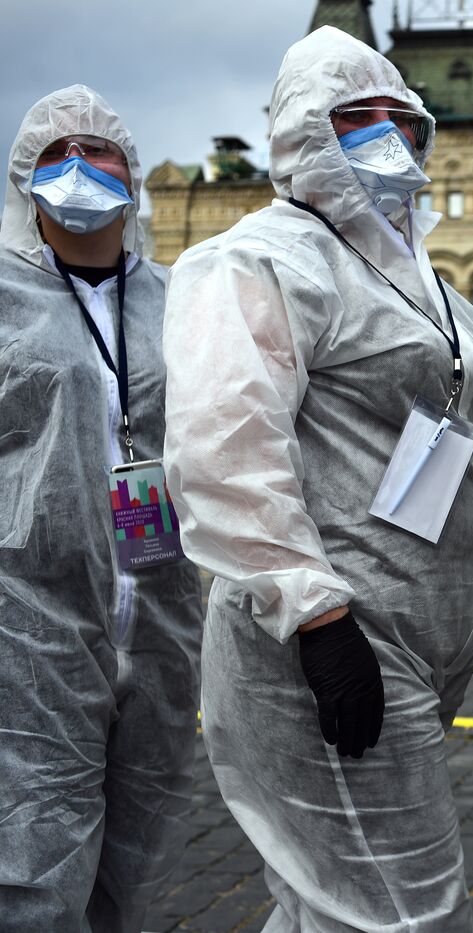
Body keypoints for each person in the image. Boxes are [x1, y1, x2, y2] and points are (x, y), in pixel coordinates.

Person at [161, 28, 473, 931]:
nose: (387, 137)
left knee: (334, 908)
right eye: (357, 120)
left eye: (402, 121)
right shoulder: (256, 258)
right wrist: (315, 612)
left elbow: (451, 450)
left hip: (415, 647)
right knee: (404, 910)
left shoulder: (425, 283)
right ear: (307, 134)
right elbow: (225, 450)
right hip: (326, 644)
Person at [0, 86, 202, 932]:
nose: (81, 167)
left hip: (162, 614)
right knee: (35, 871)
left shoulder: (180, 298)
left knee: (130, 858)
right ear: (24, 181)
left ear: (132, 173)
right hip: (31, 622)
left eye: (101, 151)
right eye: (56, 155)